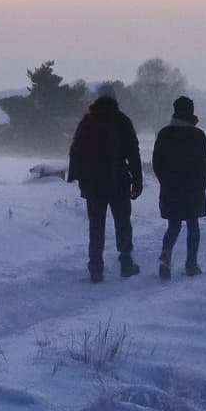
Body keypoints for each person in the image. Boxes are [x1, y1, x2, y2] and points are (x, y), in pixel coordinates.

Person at [67, 87, 143, 279]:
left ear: (98, 99)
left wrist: (79, 181)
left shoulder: (87, 122)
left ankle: (95, 268)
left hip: (93, 184)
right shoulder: (123, 122)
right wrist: (137, 180)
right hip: (119, 182)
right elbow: (133, 153)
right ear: (115, 99)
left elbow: (75, 152)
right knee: (123, 223)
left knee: (96, 226)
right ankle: (126, 263)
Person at [151, 93, 206, 275]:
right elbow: (205, 163)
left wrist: (165, 181)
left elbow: (157, 162)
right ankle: (191, 265)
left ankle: (165, 260)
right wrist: (201, 185)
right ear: (191, 112)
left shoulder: (164, 134)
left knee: (173, 226)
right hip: (193, 189)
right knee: (193, 226)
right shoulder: (198, 135)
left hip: (171, 188)